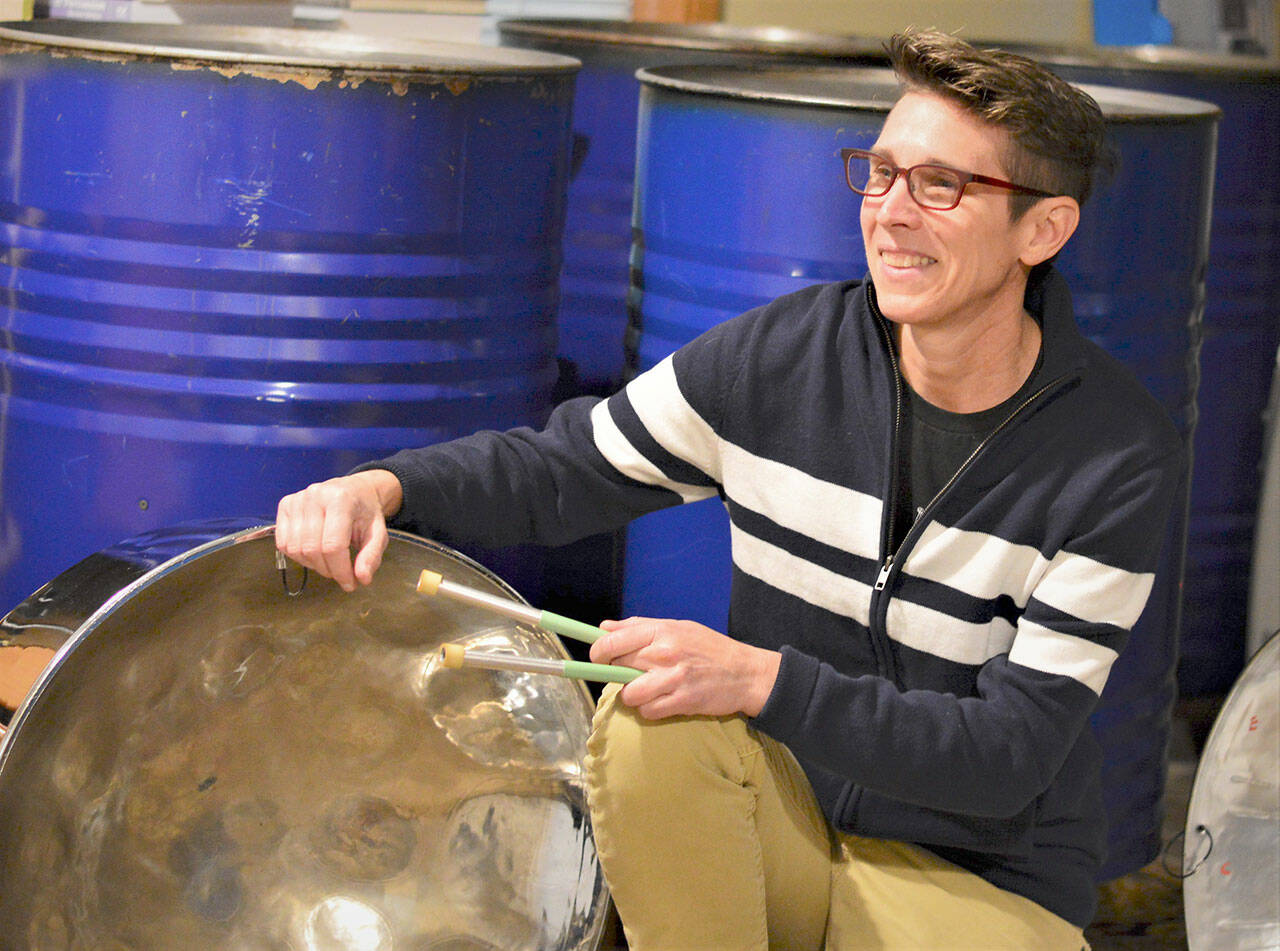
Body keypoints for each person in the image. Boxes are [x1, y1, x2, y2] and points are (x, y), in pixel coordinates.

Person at [276, 30, 1183, 951]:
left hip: (977, 884)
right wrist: (379, 486)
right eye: (879, 171)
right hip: (778, 824)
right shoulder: (784, 360)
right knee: (650, 720)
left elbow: (1009, 756)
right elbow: (563, 469)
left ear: (1044, 228)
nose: (892, 212)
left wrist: (762, 679)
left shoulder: (1114, 455)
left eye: (940, 185)